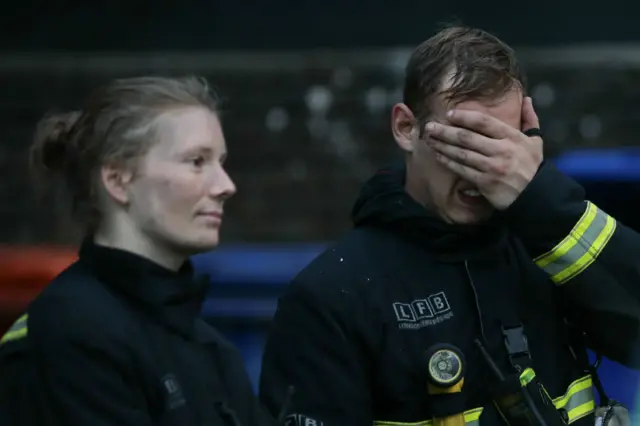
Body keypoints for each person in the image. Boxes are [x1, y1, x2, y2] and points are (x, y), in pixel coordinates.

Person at [258, 26, 640, 426]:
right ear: (406, 128)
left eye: (502, 146)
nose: (484, 171)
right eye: (465, 142)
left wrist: (543, 200)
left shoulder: (548, 251)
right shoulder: (331, 298)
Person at [0, 76, 275, 426]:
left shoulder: (209, 348)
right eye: (196, 161)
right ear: (117, 180)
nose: (225, 186)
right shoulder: (71, 332)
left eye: (221, 162)